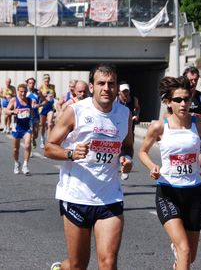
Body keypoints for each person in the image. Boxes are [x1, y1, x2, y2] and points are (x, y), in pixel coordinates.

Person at [45, 63, 133, 270]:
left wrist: (126, 159)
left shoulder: (124, 114)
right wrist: (70, 153)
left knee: (109, 263)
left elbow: (127, 146)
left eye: (111, 84)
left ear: (117, 87)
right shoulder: (75, 111)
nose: (106, 88)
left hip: (110, 197)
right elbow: (49, 147)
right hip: (76, 197)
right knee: (77, 265)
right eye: (101, 83)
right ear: (92, 87)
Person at [138, 76, 201, 270]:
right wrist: (152, 166)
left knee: (189, 257)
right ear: (169, 102)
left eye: (187, 99)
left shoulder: (200, 125)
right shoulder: (159, 127)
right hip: (168, 192)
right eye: (178, 100)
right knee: (184, 250)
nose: (183, 104)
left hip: (193, 194)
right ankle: (179, 253)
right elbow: (142, 152)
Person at [4, 84, 34, 175]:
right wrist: (13, 112)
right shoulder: (14, 100)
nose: (23, 93)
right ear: (18, 91)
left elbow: (31, 110)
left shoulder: (29, 100)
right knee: (16, 149)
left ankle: (25, 165)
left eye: (24, 91)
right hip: (17, 127)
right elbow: (5, 111)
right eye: (21, 91)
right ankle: (17, 163)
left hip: (27, 127)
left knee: (28, 145)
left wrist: (35, 119)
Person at [39, 74, 56, 149]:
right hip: (43, 107)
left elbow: (54, 94)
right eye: (45, 79)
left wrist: (56, 97)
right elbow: (37, 95)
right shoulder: (41, 87)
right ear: (43, 80)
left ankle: (49, 141)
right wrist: (42, 94)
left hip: (50, 107)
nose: (47, 80)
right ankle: (42, 138)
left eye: (48, 79)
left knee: (49, 124)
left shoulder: (52, 86)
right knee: (42, 125)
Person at [26, 78, 43, 149]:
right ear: (27, 84)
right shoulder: (25, 92)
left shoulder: (38, 92)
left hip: (36, 115)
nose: (31, 85)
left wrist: (39, 105)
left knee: (35, 134)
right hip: (27, 115)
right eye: (30, 83)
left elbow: (45, 101)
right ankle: (29, 150)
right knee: (28, 133)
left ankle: (33, 139)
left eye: (33, 83)